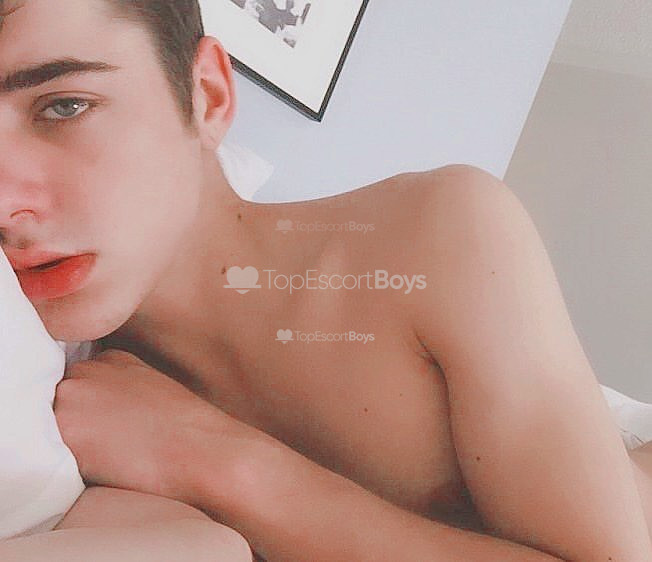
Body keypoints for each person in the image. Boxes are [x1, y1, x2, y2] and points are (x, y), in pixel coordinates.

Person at [1, 0, 651, 560]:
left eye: (64, 106)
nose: (6, 204)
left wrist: (219, 461)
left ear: (209, 94)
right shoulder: (60, 415)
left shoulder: (437, 235)